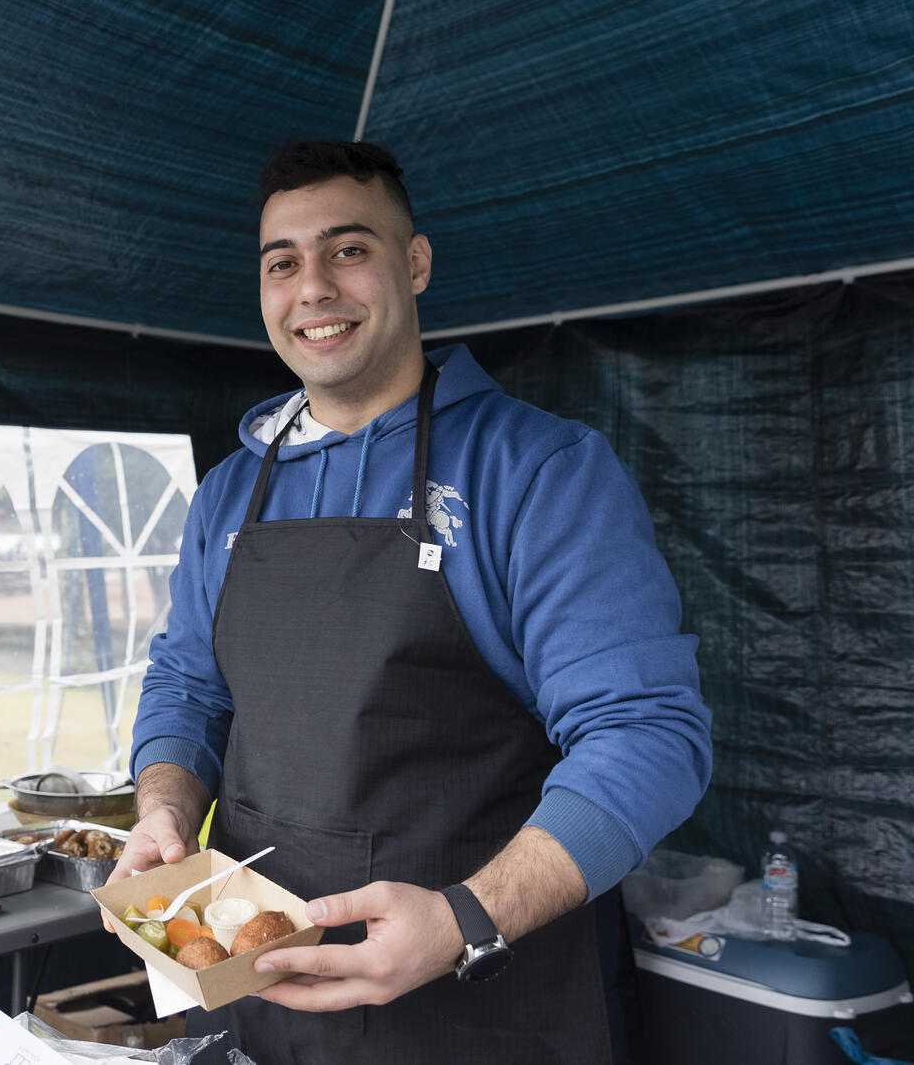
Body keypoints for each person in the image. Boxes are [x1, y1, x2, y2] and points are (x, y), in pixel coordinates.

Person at [107, 141, 712, 1063]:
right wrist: (162, 807)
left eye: (347, 249)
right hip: (255, 997)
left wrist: (467, 918)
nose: (312, 287)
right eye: (282, 263)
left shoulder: (538, 469)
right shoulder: (232, 489)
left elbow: (649, 732)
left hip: (479, 1003)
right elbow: (189, 684)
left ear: (415, 263)